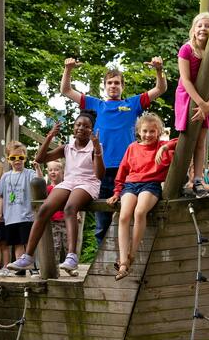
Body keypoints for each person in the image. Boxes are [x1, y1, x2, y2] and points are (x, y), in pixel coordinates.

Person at [61, 56, 166, 246]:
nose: (113, 86)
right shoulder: (96, 105)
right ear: (104, 86)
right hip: (101, 169)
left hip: (128, 170)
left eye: (117, 83)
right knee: (102, 222)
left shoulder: (132, 104)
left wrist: (159, 70)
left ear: (122, 86)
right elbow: (66, 90)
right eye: (109, 83)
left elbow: (160, 89)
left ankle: (128, 258)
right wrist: (68, 69)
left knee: (129, 216)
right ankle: (103, 264)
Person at [7, 111, 104, 276]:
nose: (81, 128)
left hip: (88, 183)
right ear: (73, 128)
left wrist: (97, 150)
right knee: (44, 209)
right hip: (69, 182)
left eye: (86, 126)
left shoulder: (94, 147)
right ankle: (28, 257)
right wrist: (50, 136)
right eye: (78, 125)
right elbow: (40, 158)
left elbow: (99, 175)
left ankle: (72, 257)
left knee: (70, 207)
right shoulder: (67, 147)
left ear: (91, 130)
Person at [106, 113, 177, 280]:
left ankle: (132, 254)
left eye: (152, 131)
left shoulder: (162, 146)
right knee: (123, 216)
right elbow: (122, 171)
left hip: (151, 185)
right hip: (131, 185)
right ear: (139, 131)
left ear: (159, 131)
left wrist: (165, 147)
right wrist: (117, 192)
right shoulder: (132, 147)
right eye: (145, 131)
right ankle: (124, 260)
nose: (148, 135)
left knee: (139, 212)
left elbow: (182, 141)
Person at [175, 12, 209, 198]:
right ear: (194, 30)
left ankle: (198, 178)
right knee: (188, 137)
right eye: (200, 25)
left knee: (201, 140)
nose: (203, 29)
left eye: (208, 26)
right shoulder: (187, 50)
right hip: (189, 96)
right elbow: (185, 80)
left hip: (206, 100)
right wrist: (201, 103)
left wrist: (208, 105)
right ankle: (181, 177)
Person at [0, 141, 38, 271]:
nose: (17, 161)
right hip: (10, 217)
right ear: (8, 159)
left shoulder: (29, 173)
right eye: (13, 158)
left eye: (20, 157)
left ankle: (33, 267)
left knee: (28, 242)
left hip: (26, 216)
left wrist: (38, 168)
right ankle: (20, 268)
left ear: (25, 158)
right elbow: (1, 196)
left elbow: (39, 182)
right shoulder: (5, 177)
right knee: (16, 243)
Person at [45, 159, 68, 263]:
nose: (53, 172)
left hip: (66, 220)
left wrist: (76, 214)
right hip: (53, 221)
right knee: (55, 246)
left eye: (56, 170)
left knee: (68, 245)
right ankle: (55, 268)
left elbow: (71, 201)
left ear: (62, 171)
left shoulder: (66, 187)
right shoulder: (48, 189)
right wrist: (37, 168)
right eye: (50, 170)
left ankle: (71, 266)